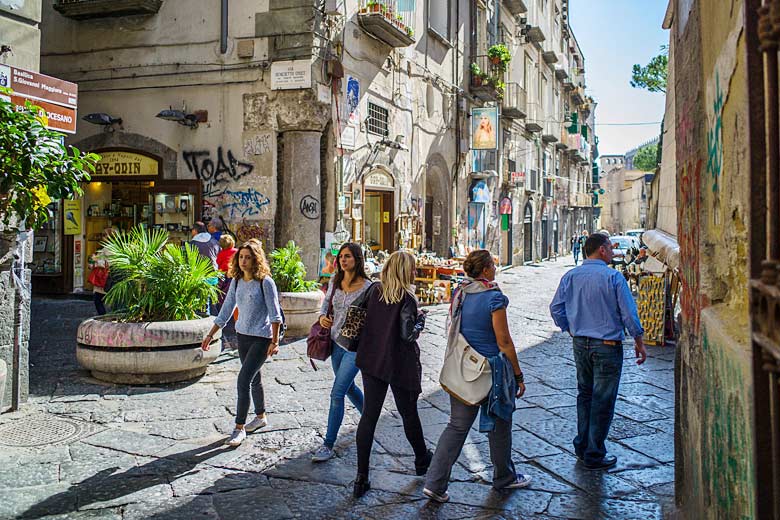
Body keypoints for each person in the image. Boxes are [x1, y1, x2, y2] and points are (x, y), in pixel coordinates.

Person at [423, 250, 531, 503]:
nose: (495, 268)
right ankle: (504, 477)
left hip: (463, 368)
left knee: (457, 426)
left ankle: (435, 483)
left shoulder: (461, 293)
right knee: (500, 425)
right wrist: (518, 374)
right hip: (492, 371)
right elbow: (503, 340)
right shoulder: (494, 297)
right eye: (492, 265)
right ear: (484, 270)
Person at [549, 232, 647, 470]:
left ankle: (582, 446)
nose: (614, 252)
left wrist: (570, 328)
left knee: (584, 394)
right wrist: (638, 339)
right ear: (601, 250)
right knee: (602, 399)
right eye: (610, 248)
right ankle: (594, 453)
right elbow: (628, 313)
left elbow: (556, 308)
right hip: (607, 346)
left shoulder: (570, 276)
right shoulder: (613, 277)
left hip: (580, 343)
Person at [352, 251, 430, 498]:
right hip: (398, 364)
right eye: (413, 268)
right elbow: (408, 335)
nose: (415, 272)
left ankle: (361, 478)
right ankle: (421, 459)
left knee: (369, 417)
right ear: (406, 271)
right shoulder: (407, 298)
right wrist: (420, 321)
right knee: (408, 413)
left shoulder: (374, 290)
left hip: (372, 360)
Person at [201, 239, 283, 447]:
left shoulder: (265, 282)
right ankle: (261, 416)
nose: (244, 261)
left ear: (256, 260)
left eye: (248, 257)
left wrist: (274, 341)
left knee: (243, 380)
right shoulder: (236, 281)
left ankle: (239, 428)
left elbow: (275, 315)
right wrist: (210, 334)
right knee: (254, 379)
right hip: (242, 337)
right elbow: (226, 309)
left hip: (262, 338)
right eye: (241, 257)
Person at [311, 243, 373, 462]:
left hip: (356, 347)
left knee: (337, 392)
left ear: (357, 259)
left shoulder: (369, 287)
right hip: (336, 342)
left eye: (347, 257)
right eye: (341, 257)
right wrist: (321, 318)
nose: (343, 260)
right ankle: (371, 418)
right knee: (348, 388)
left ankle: (328, 444)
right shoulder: (335, 281)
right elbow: (325, 305)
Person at [87, 227, 115, 315]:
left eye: (104, 235)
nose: (102, 237)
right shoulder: (107, 247)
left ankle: (103, 317)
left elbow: (110, 263)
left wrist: (96, 262)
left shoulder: (109, 248)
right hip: (105, 278)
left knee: (98, 300)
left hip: (105, 279)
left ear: (110, 236)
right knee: (99, 299)